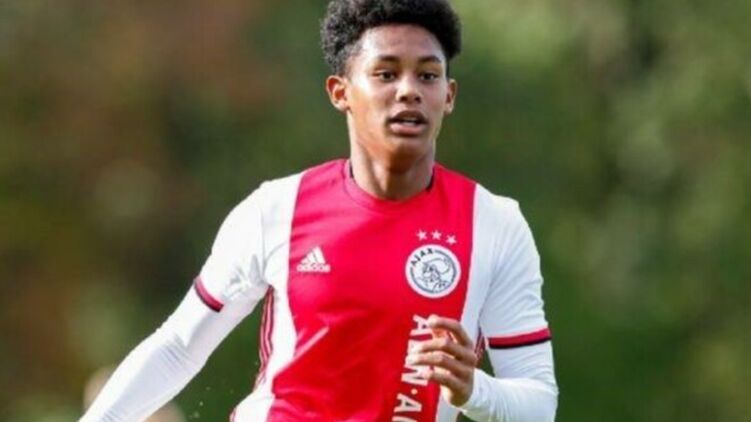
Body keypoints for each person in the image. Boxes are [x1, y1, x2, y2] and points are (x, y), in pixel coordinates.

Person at [80, 0, 558, 421]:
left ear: (448, 96)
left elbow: (539, 404)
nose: (409, 90)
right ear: (340, 92)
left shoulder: (494, 225)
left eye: (428, 75)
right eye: (386, 74)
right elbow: (178, 348)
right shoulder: (275, 210)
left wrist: (475, 391)